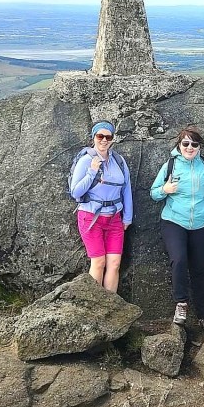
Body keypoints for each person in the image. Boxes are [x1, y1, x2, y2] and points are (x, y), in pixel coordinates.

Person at [150, 127, 204, 330]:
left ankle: (203, 313)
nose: (189, 147)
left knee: (200, 268)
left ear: (199, 146)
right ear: (179, 145)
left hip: (199, 222)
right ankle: (181, 304)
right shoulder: (171, 165)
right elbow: (154, 193)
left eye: (194, 144)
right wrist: (165, 189)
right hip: (174, 221)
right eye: (186, 144)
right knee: (179, 260)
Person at [69, 121, 133, 292]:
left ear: (112, 139)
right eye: (100, 136)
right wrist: (92, 172)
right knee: (98, 263)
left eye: (108, 137)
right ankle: (94, 306)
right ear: (94, 137)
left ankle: (110, 306)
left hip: (114, 218)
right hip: (90, 217)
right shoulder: (86, 161)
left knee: (114, 263)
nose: (104, 140)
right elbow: (75, 192)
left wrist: (127, 217)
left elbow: (126, 188)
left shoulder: (119, 161)